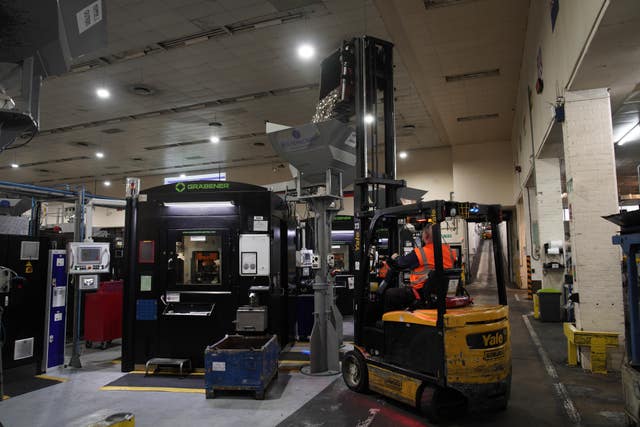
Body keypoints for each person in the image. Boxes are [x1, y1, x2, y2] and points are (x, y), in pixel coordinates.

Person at [382, 223, 457, 312]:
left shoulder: (420, 253)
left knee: (389, 294)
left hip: (420, 294)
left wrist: (394, 258)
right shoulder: (450, 251)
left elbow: (400, 263)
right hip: (442, 293)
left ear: (425, 235)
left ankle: (390, 324)